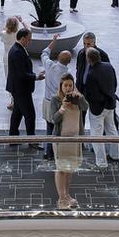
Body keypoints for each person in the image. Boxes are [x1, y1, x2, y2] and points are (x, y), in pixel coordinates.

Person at [48, 74, 87, 208]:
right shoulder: (55, 99)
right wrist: (63, 107)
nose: (68, 88)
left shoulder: (77, 98)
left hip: (75, 140)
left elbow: (86, 107)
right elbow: (54, 119)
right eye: (66, 85)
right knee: (61, 169)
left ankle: (67, 194)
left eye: (70, 85)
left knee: (70, 168)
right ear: (61, 86)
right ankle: (61, 198)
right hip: (61, 140)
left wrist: (80, 97)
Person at [82, 47, 119, 167]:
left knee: (96, 134)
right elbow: (115, 83)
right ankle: (115, 155)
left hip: (98, 108)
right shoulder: (109, 66)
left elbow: (90, 95)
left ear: (89, 59)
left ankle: (102, 162)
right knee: (111, 129)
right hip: (110, 104)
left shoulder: (91, 74)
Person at [6, 28, 43, 142]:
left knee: (17, 113)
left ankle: (13, 137)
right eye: (29, 39)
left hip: (17, 88)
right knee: (30, 114)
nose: (30, 42)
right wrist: (36, 76)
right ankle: (31, 140)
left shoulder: (18, 49)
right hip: (20, 89)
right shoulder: (17, 52)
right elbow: (22, 74)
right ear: (22, 39)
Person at [41, 39, 73, 159]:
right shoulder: (66, 76)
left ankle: (48, 151)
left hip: (47, 101)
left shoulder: (49, 65)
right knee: (57, 129)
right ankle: (53, 152)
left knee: (49, 127)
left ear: (58, 56)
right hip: (58, 104)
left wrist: (53, 41)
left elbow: (44, 53)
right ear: (69, 62)